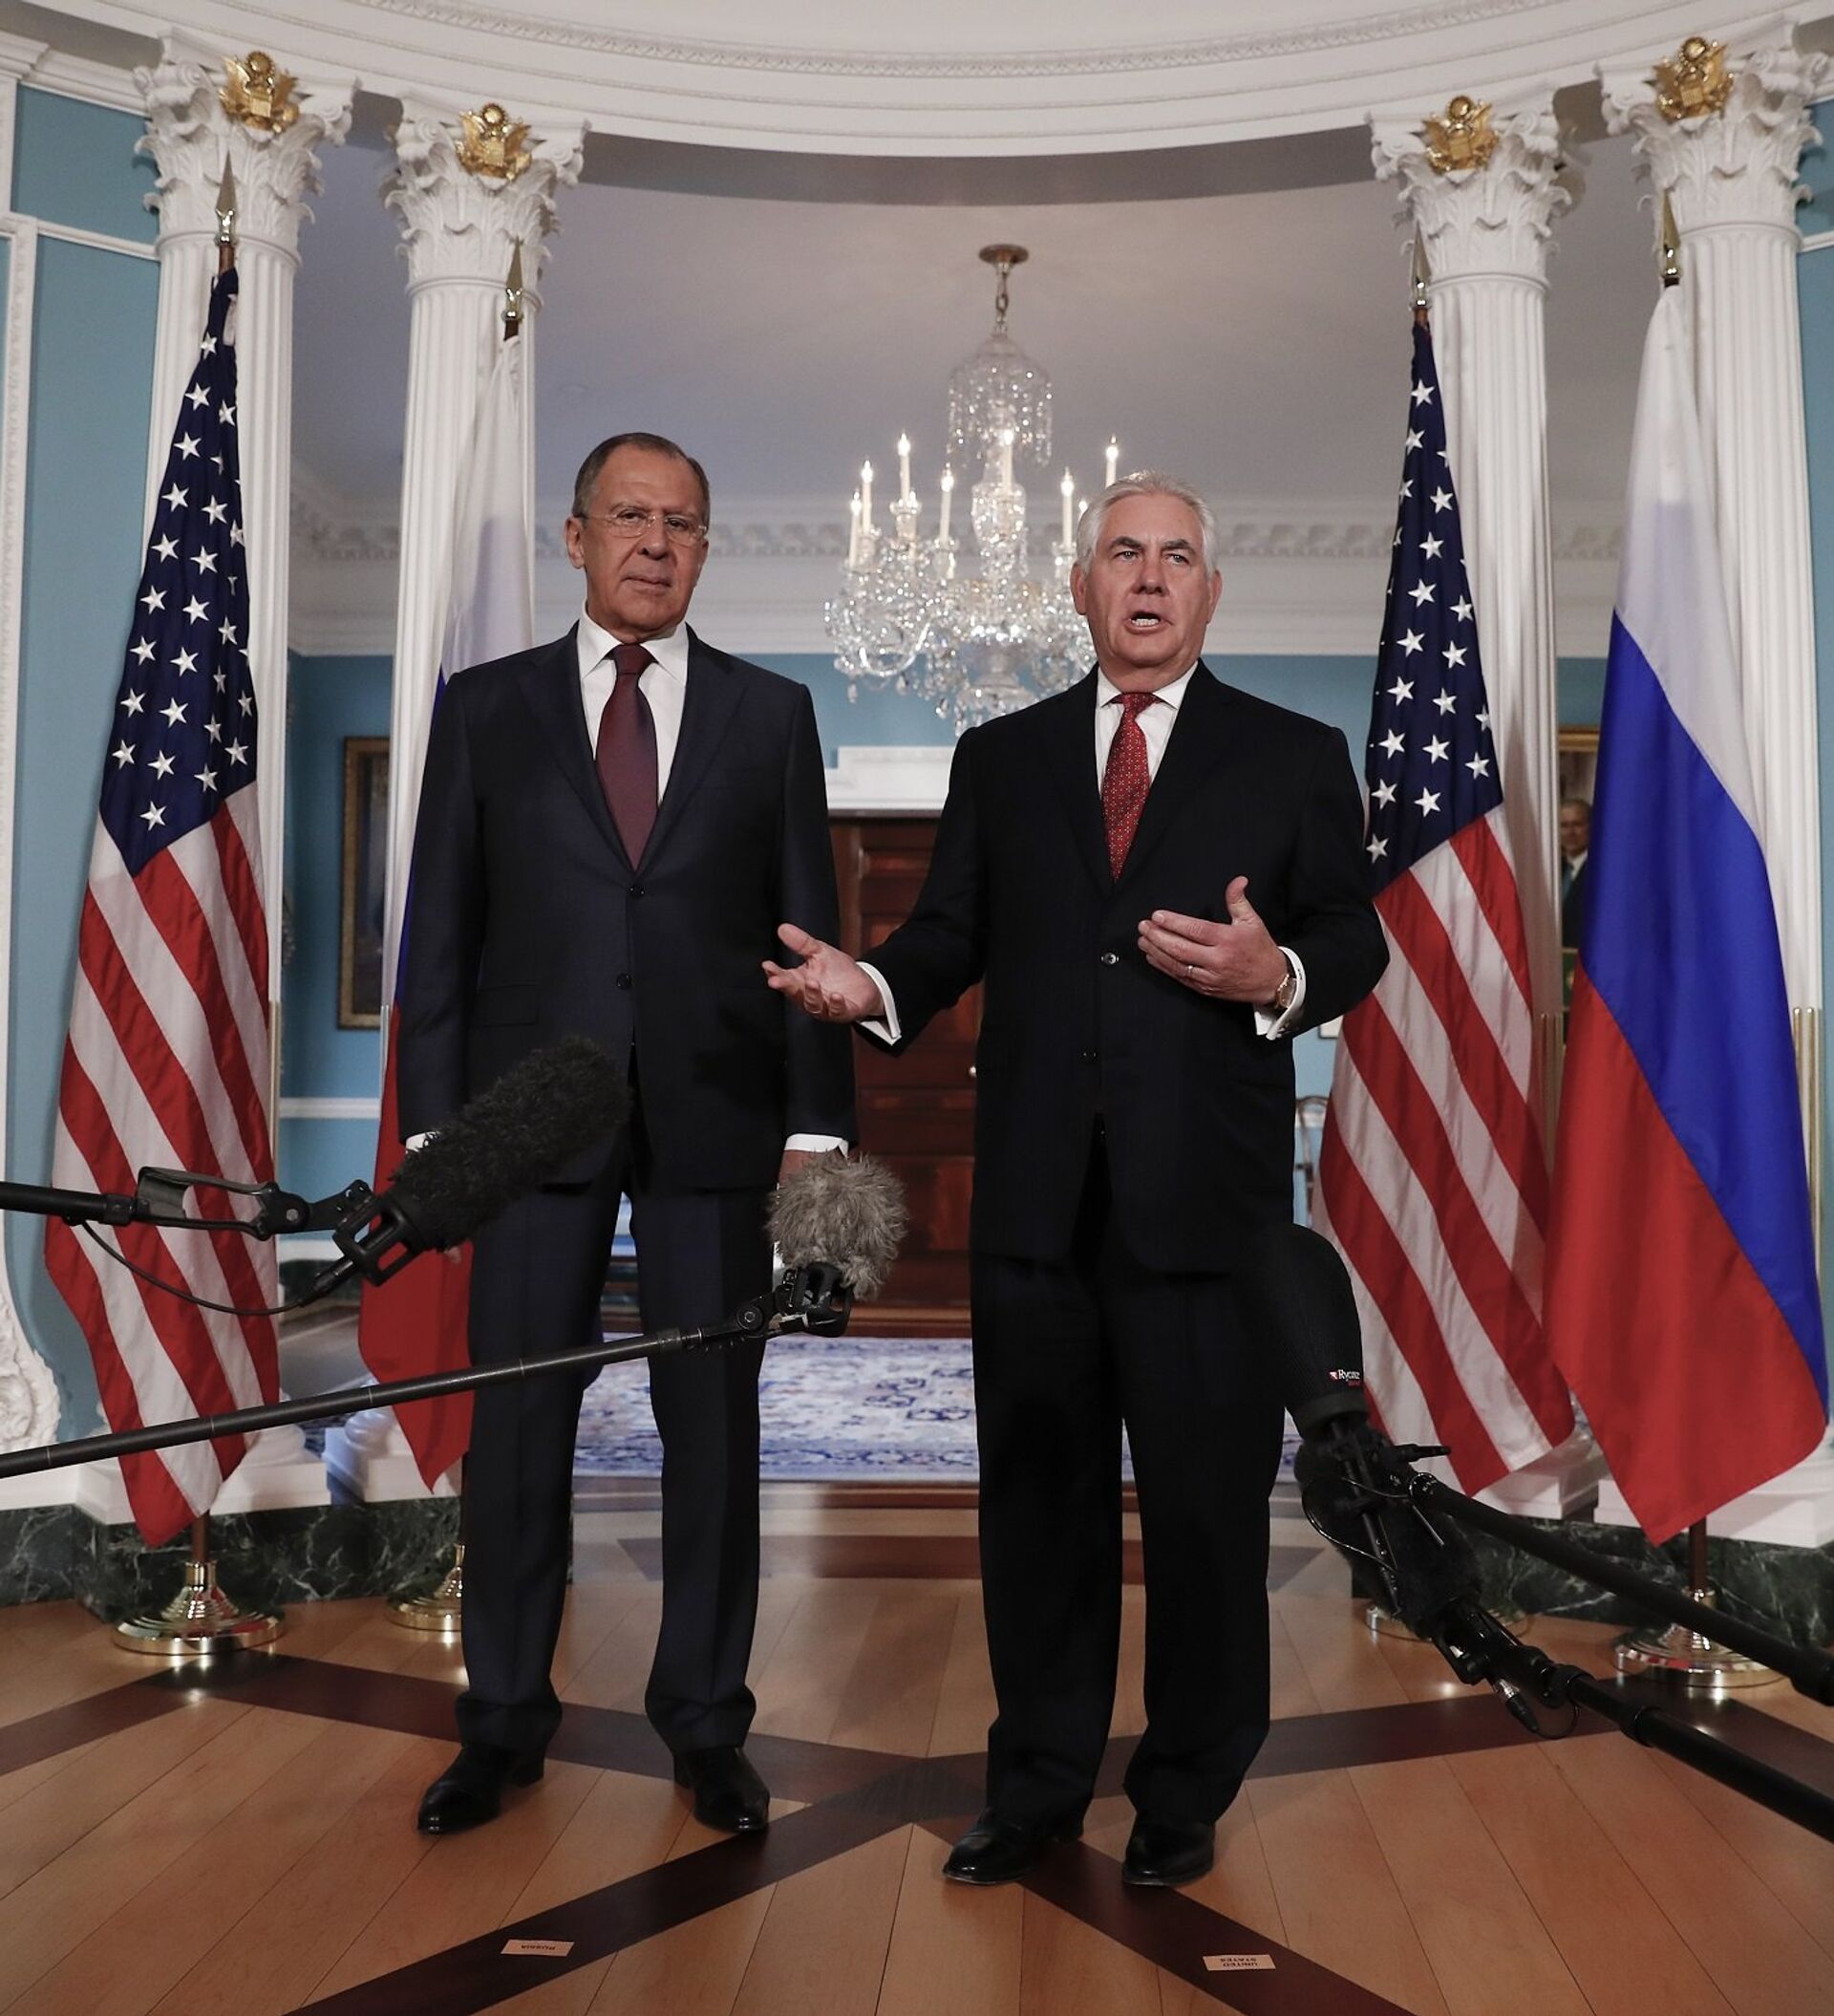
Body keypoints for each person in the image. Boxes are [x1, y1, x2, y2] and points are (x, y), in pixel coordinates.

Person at [765, 472, 1387, 1889]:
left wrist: (1278, 971)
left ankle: (1184, 1793)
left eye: (1176, 555)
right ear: (1080, 585)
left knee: (1206, 1514)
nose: (1150, 576)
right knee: (1038, 1511)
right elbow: (948, 934)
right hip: (1036, 1208)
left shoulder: (1292, 755)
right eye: (1123, 553)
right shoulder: (1004, 755)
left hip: (1208, 1208)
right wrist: (872, 984)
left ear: (1211, 591)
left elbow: (1353, 935)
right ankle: (1038, 1784)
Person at [399, 431, 856, 1835]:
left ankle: (708, 1726)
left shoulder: (771, 715)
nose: (656, 542)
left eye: (683, 523)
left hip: (716, 1119)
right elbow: (441, 931)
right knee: (519, 1428)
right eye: (630, 517)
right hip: (530, 1123)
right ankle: (501, 1724)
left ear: (705, 548)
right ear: (577, 536)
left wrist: (817, 1130)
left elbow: (808, 933)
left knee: (710, 1430)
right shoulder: (486, 709)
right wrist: (437, 1139)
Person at [1560, 794, 1591, 950]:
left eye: (1577, 824)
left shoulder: (1601, 873)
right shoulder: (1555, 869)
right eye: (1564, 826)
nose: (1570, 832)